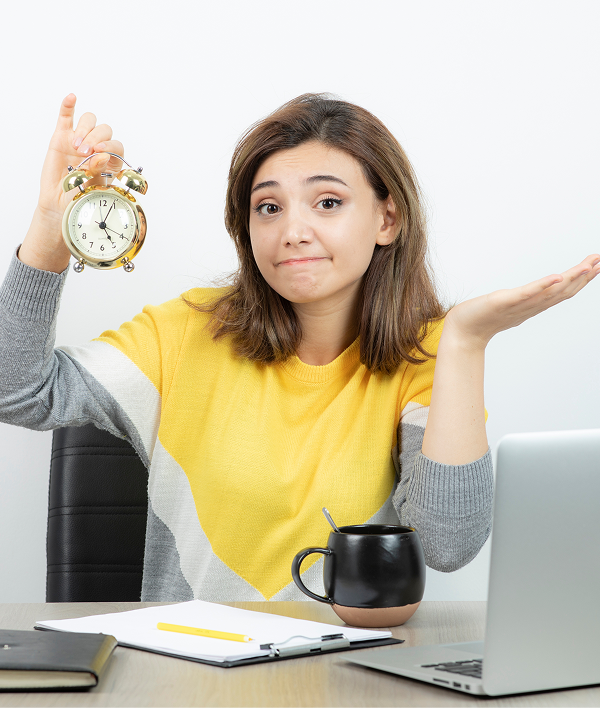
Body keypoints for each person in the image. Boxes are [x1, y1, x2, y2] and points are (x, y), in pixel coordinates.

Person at [0, 93, 598, 604]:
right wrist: (52, 228)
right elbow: (16, 389)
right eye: (268, 207)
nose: (293, 231)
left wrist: (466, 342)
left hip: (344, 678)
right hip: (184, 673)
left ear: (387, 218)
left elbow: (447, 545)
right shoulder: (183, 332)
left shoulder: (426, 356)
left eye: (328, 202)